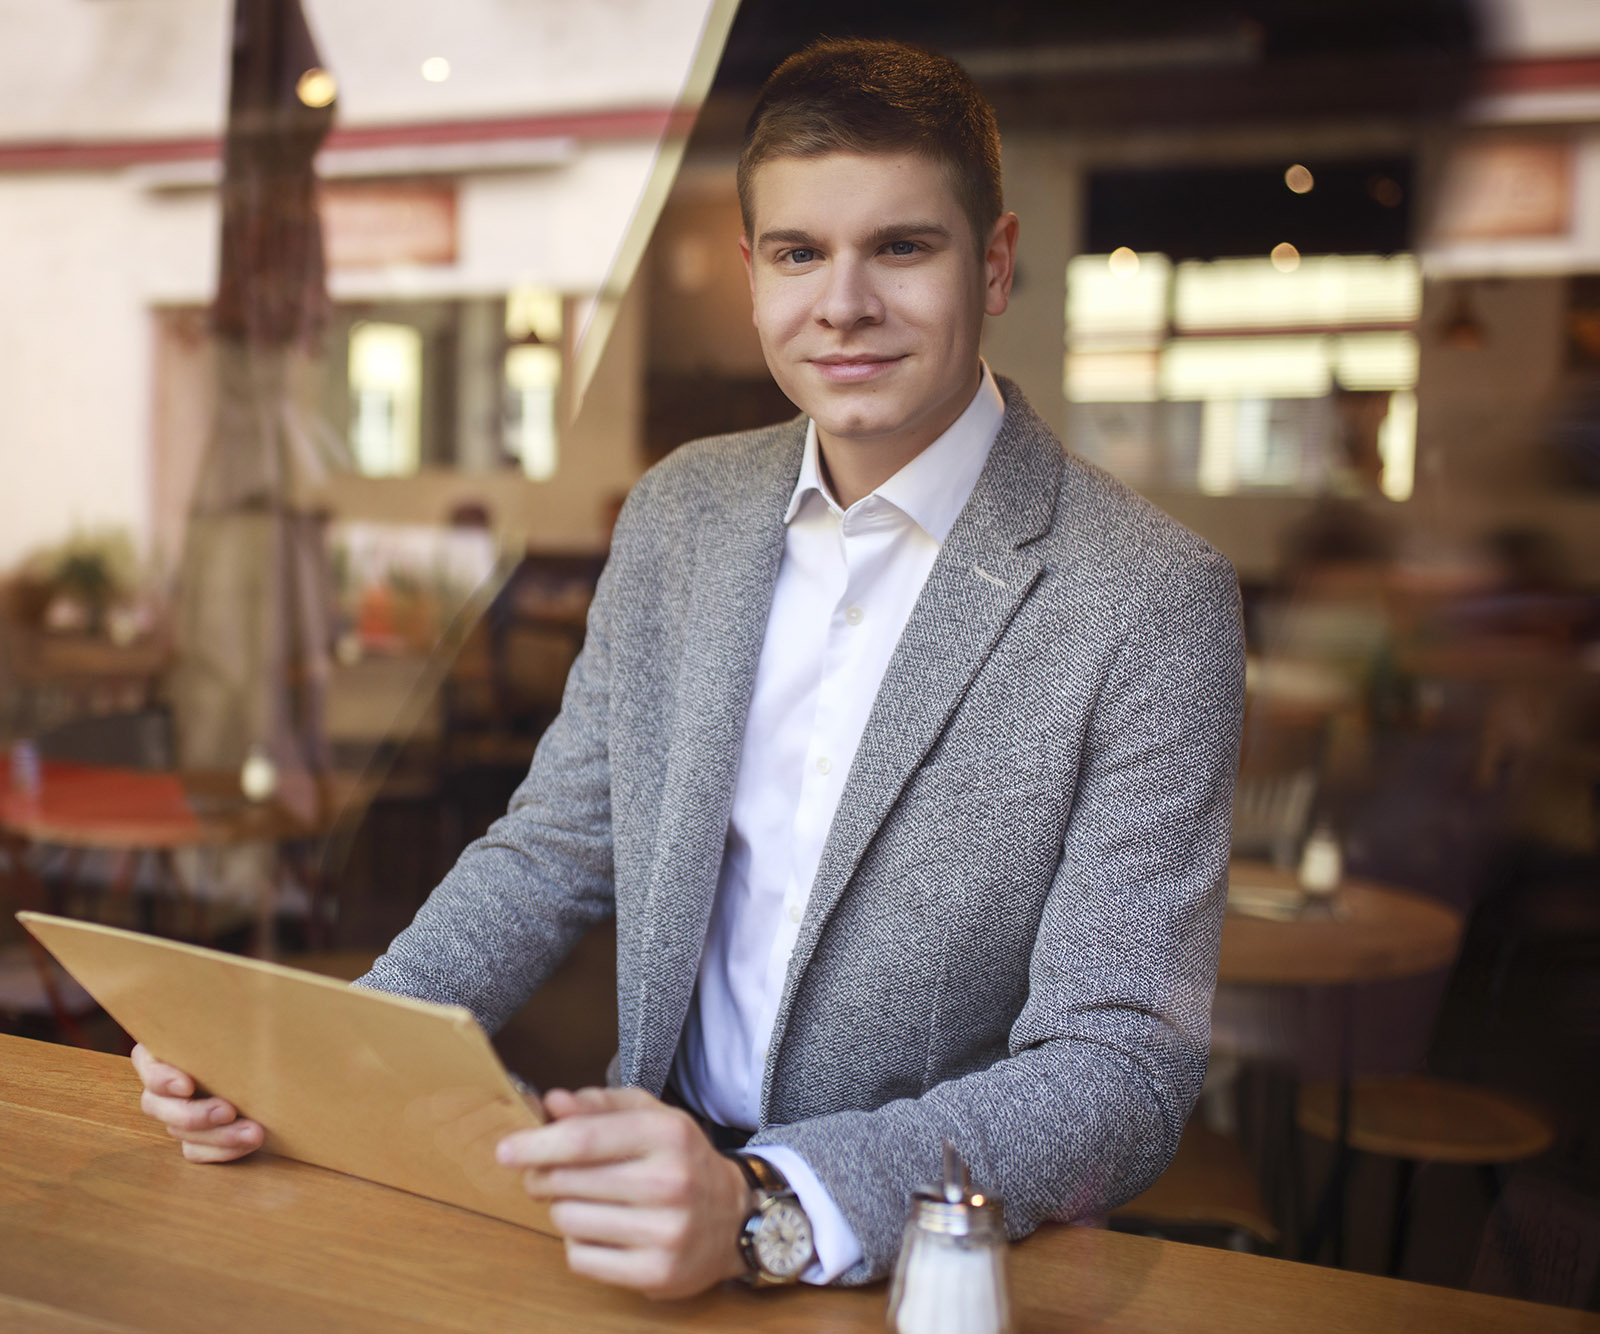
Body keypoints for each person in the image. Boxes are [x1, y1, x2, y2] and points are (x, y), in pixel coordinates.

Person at [134, 37, 1245, 1299]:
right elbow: (551, 846)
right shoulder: (680, 513)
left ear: (990, 263)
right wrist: (323, 1063)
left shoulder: (1148, 600)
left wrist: (765, 1201)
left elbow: (1120, 1066)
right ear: (750, 272)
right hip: (639, 1201)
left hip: (927, 1253)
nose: (841, 304)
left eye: (900, 246)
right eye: (796, 253)